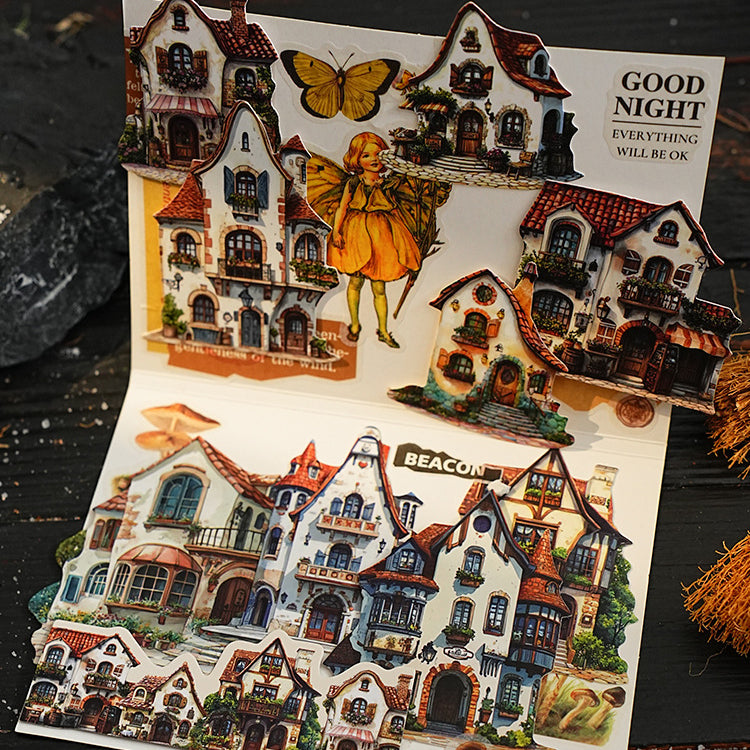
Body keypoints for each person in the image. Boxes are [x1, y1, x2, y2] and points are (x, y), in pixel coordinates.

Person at [327, 132, 422, 348]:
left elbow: (396, 211)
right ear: (356, 159)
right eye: (366, 155)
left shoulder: (388, 183)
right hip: (356, 233)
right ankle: (354, 324)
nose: (374, 159)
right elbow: (342, 207)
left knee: (379, 287)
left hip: (382, 236)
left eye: (378, 154)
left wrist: (406, 237)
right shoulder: (354, 182)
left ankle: (383, 330)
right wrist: (336, 231)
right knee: (355, 282)